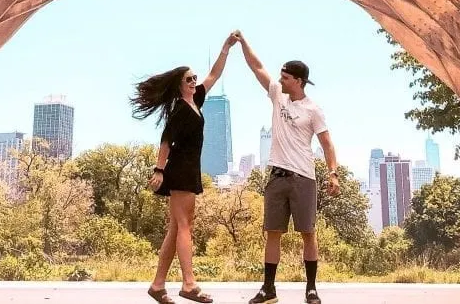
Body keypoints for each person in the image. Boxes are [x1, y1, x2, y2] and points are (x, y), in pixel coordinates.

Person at [233, 31, 340, 304]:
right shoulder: (278, 95)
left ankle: (311, 289)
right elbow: (257, 67)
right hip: (276, 177)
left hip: (304, 178)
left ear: (299, 81)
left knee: (308, 233)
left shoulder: (313, 109)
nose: (280, 80)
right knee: (273, 233)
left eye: (285, 77)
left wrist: (333, 173)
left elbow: (327, 144)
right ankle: (269, 289)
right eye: (280, 76)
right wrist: (244, 43)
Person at [130, 34, 238, 303]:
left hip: (189, 169)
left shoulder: (196, 101)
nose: (194, 82)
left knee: (177, 228)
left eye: (194, 78)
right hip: (179, 170)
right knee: (183, 225)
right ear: (180, 86)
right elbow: (166, 140)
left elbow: (213, 74)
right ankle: (189, 284)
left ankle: (157, 285)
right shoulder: (180, 109)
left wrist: (225, 48)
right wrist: (158, 170)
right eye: (189, 79)